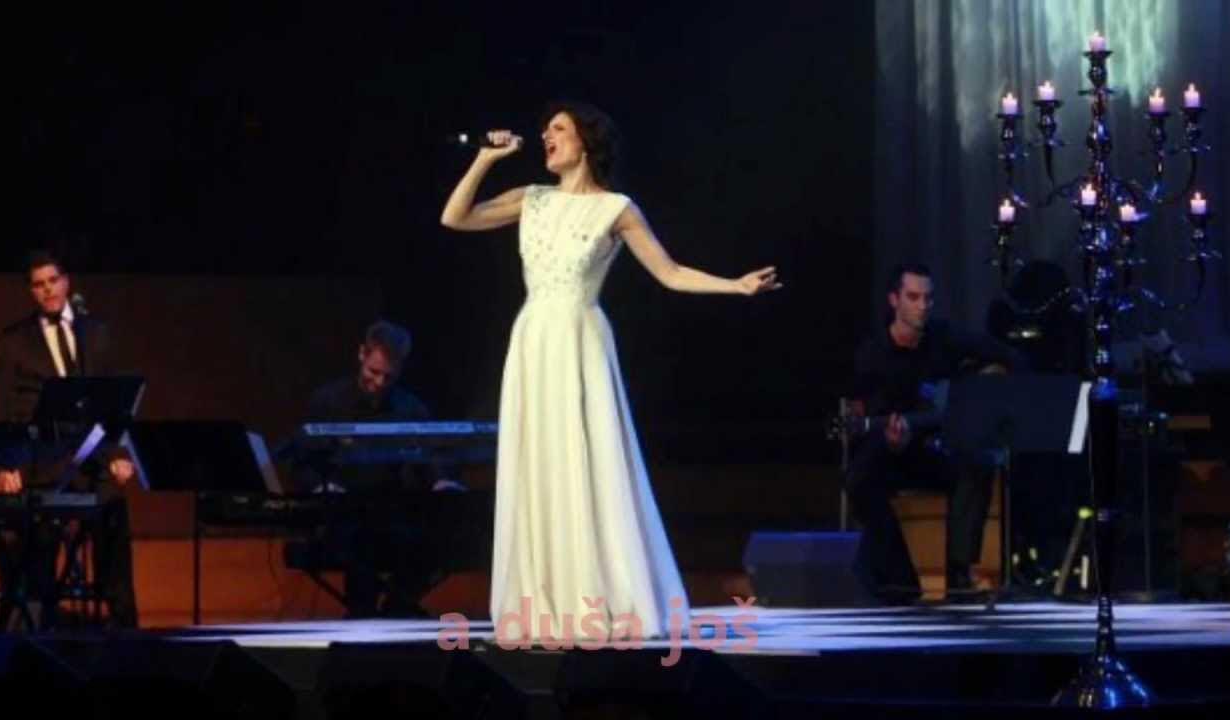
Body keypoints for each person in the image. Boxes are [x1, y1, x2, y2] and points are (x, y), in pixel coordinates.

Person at [440, 101, 780, 642]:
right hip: (533, 339)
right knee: (539, 462)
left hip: (580, 339)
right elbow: (455, 217)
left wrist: (734, 286)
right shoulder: (532, 198)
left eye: (558, 128)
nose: (546, 135)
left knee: (586, 457)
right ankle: (544, 602)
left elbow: (670, 273)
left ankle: (600, 597)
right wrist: (485, 159)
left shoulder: (615, 209)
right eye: (546, 128)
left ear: (585, 141)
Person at [846, 262, 1022, 604]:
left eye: (928, 298)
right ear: (894, 300)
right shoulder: (873, 353)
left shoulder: (943, 337)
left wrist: (992, 377)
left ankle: (958, 575)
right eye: (913, 297)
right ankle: (900, 582)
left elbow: (1004, 353)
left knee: (975, 463)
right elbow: (867, 414)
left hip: (934, 447)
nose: (923, 306)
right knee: (860, 480)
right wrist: (890, 436)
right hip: (889, 450)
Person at [0, 250, 138, 628]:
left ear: (66, 282)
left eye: (53, 281)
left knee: (113, 509)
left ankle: (124, 623)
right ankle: (42, 623)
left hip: (91, 460)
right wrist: (6, 464)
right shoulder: (13, 341)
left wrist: (119, 454)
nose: (47, 290)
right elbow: (1, 407)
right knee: (34, 534)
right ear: (31, 291)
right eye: (38, 285)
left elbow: (114, 404)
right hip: (40, 463)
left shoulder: (96, 332)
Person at [294, 320, 451, 618]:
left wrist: (441, 481)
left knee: (437, 539)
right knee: (358, 538)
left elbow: (431, 458)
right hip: (340, 513)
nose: (379, 382)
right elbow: (303, 462)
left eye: (388, 377)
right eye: (373, 372)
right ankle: (365, 612)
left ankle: (394, 608)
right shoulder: (328, 401)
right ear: (361, 355)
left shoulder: (410, 408)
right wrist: (320, 488)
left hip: (391, 511)